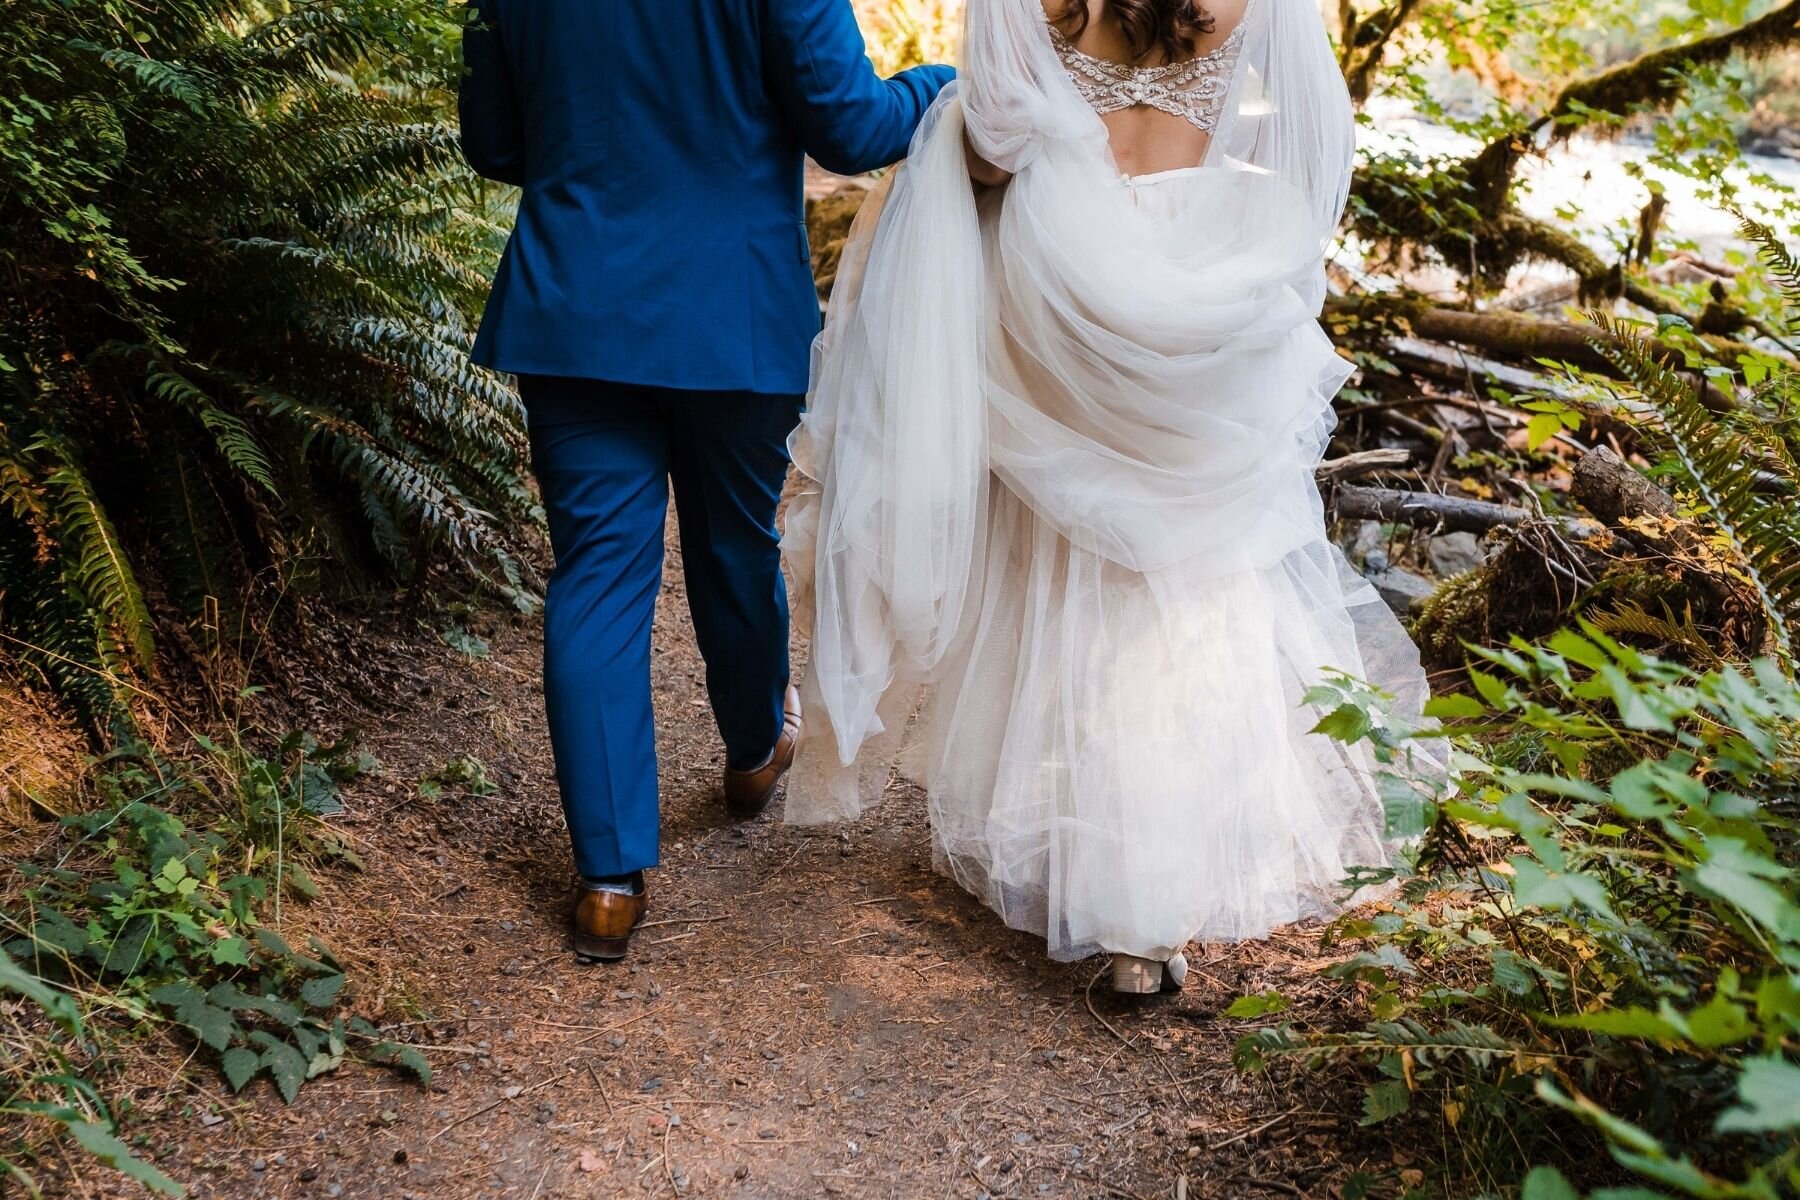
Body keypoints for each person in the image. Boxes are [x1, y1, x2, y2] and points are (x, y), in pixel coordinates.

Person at [783, 0, 1438, 993]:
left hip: (1060, 282)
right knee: (1190, 570)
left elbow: (996, 149)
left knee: (1058, 546)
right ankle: (1146, 917)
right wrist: (1251, 243)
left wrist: (979, 128)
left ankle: (1065, 851)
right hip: (1201, 278)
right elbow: (1317, 151)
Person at [458, 0, 953, 962]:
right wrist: (947, 84)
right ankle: (753, 749)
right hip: (730, 310)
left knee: (598, 571)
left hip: (576, 305)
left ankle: (607, 879)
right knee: (735, 543)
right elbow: (853, 128)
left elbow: (494, 142)